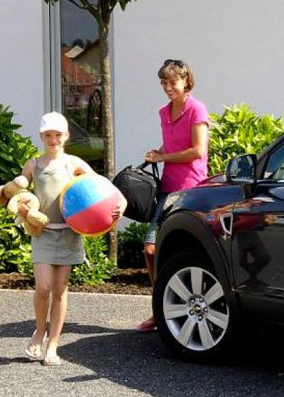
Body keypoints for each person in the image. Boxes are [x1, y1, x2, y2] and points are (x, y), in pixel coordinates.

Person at [21, 112, 123, 366]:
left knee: (60, 289)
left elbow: (103, 188)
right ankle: (39, 330)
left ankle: (53, 345)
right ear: (41, 137)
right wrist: (22, 209)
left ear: (66, 136)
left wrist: (120, 205)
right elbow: (20, 194)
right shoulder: (33, 164)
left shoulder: (73, 163)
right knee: (43, 287)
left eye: (58, 135)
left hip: (68, 234)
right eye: (48, 135)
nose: (53, 140)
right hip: (42, 233)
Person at [136, 59, 210, 332]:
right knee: (151, 249)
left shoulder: (196, 109)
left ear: (186, 80)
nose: (168, 87)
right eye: (164, 83)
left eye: (172, 82)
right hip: (167, 186)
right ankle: (161, 306)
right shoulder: (163, 112)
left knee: (186, 248)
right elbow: (171, 146)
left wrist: (164, 155)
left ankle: (177, 308)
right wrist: (157, 153)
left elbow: (197, 151)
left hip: (190, 187)